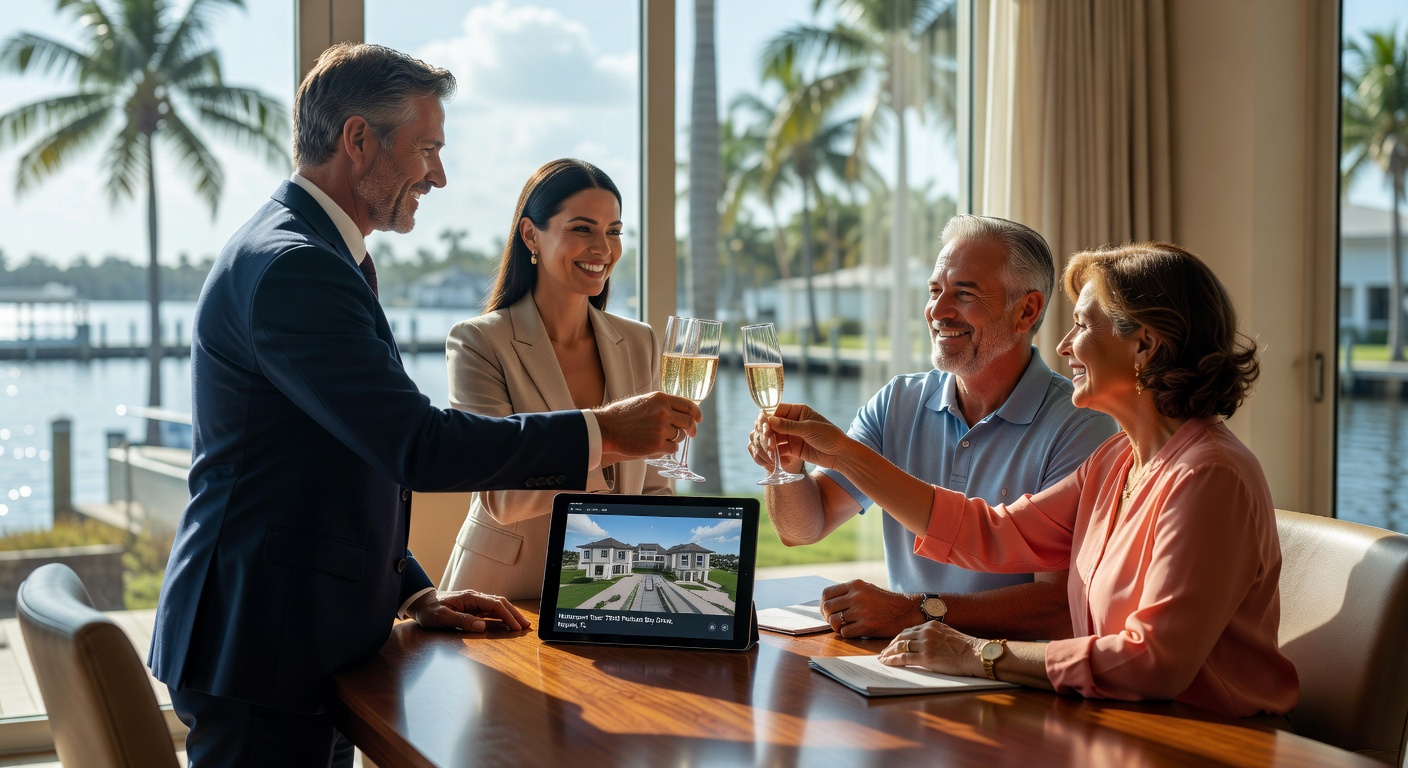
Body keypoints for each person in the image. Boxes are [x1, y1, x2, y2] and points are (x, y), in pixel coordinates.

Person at [147, 44, 700, 767]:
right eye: (427, 149)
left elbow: (349, 460)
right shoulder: (296, 266)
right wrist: (603, 433)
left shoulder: (314, 253)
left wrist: (410, 592)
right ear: (356, 139)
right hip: (265, 641)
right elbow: (415, 444)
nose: (439, 175)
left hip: (291, 632)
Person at [765, 242, 1299, 718]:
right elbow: (993, 533)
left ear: (1145, 347)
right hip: (1114, 721)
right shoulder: (1117, 460)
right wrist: (842, 453)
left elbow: (1154, 661)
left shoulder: (1209, 475)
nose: (1064, 346)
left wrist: (979, 654)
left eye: (1084, 325)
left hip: (1205, 743)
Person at [749, 215, 1115, 640]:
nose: (937, 311)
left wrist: (916, 611)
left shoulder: (1080, 425)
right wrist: (787, 466)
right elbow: (804, 528)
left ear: (1026, 311)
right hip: (904, 661)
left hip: (1009, 677)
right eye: (935, 291)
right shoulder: (897, 402)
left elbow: (1058, 605)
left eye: (964, 293)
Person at [439, 158, 671, 600]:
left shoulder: (640, 341)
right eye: (582, 228)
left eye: (614, 231)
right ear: (531, 235)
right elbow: (502, 497)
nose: (603, 248)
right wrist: (608, 439)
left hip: (609, 596)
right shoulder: (478, 342)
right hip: (502, 595)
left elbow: (655, 484)